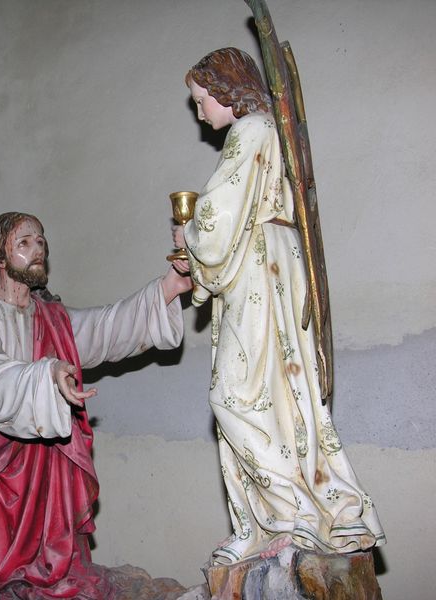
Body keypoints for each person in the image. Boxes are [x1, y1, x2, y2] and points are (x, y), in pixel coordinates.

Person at [0, 212, 191, 598]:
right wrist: (48, 373)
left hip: (41, 467)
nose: (37, 249)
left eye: (41, 242)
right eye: (24, 243)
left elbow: (107, 328)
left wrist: (170, 286)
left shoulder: (52, 319)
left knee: (53, 560)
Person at [172, 47, 385, 565]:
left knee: (234, 396)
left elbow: (218, 219)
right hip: (268, 267)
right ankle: (272, 518)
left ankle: (291, 511)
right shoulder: (267, 130)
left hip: (260, 270)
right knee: (278, 398)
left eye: (202, 100)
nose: (200, 112)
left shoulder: (252, 130)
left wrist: (189, 234)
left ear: (226, 89)